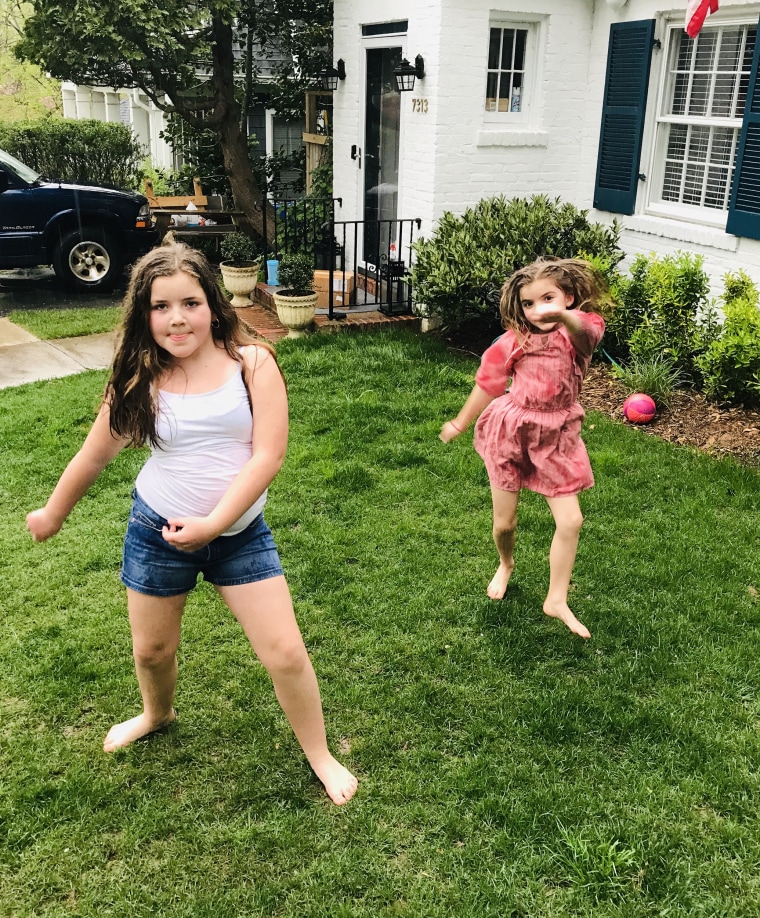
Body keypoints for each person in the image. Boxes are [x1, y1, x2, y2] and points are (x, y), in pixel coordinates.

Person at [26, 241, 358, 806]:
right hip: (156, 530)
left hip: (238, 537)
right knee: (152, 651)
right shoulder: (139, 378)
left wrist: (213, 525)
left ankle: (321, 754)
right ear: (143, 314)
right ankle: (157, 713)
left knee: (284, 651)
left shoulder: (251, 363)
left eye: (190, 302)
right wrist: (53, 513)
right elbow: (94, 455)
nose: (177, 318)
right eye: (161, 307)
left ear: (213, 304)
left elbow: (266, 457)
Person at [440, 257, 608, 640]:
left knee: (571, 521)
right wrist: (460, 422)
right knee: (505, 524)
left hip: (558, 436)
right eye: (529, 304)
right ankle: (506, 563)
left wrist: (561, 317)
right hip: (512, 431)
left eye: (547, 298)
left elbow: (586, 334)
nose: (538, 310)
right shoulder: (515, 340)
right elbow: (488, 382)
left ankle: (556, 599)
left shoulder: (581, 329)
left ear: (568, 297)